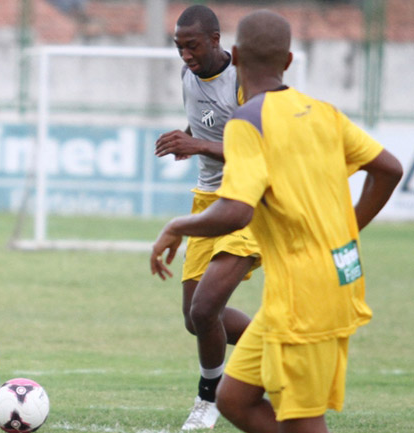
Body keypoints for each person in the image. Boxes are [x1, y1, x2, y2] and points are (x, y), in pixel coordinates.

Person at [151, 10, 402, 433]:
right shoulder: (323, 112)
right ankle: (208, 395)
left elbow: (237, 211)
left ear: (233, 53)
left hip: (308, 293)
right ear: (288, 61)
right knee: (235, 400)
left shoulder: (250, 122)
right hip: (303, 288)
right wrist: (345, 231)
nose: (186, 54)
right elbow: (390, 169)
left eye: (192, 45)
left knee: (302, 420)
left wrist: (175, 227)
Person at [154, 5, 260, 430]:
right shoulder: (187, 77)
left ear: (216, 40)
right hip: (207, 201)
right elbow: (205, 128)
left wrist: (198, 146)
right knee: (195, 319)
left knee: (206, 307)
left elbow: (260, 150)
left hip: (249, 203)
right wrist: (189, 139)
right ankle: (277, 351)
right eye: (179, 47)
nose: (185, 55)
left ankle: (208, 398)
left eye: (192, 46)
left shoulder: (243, 82)